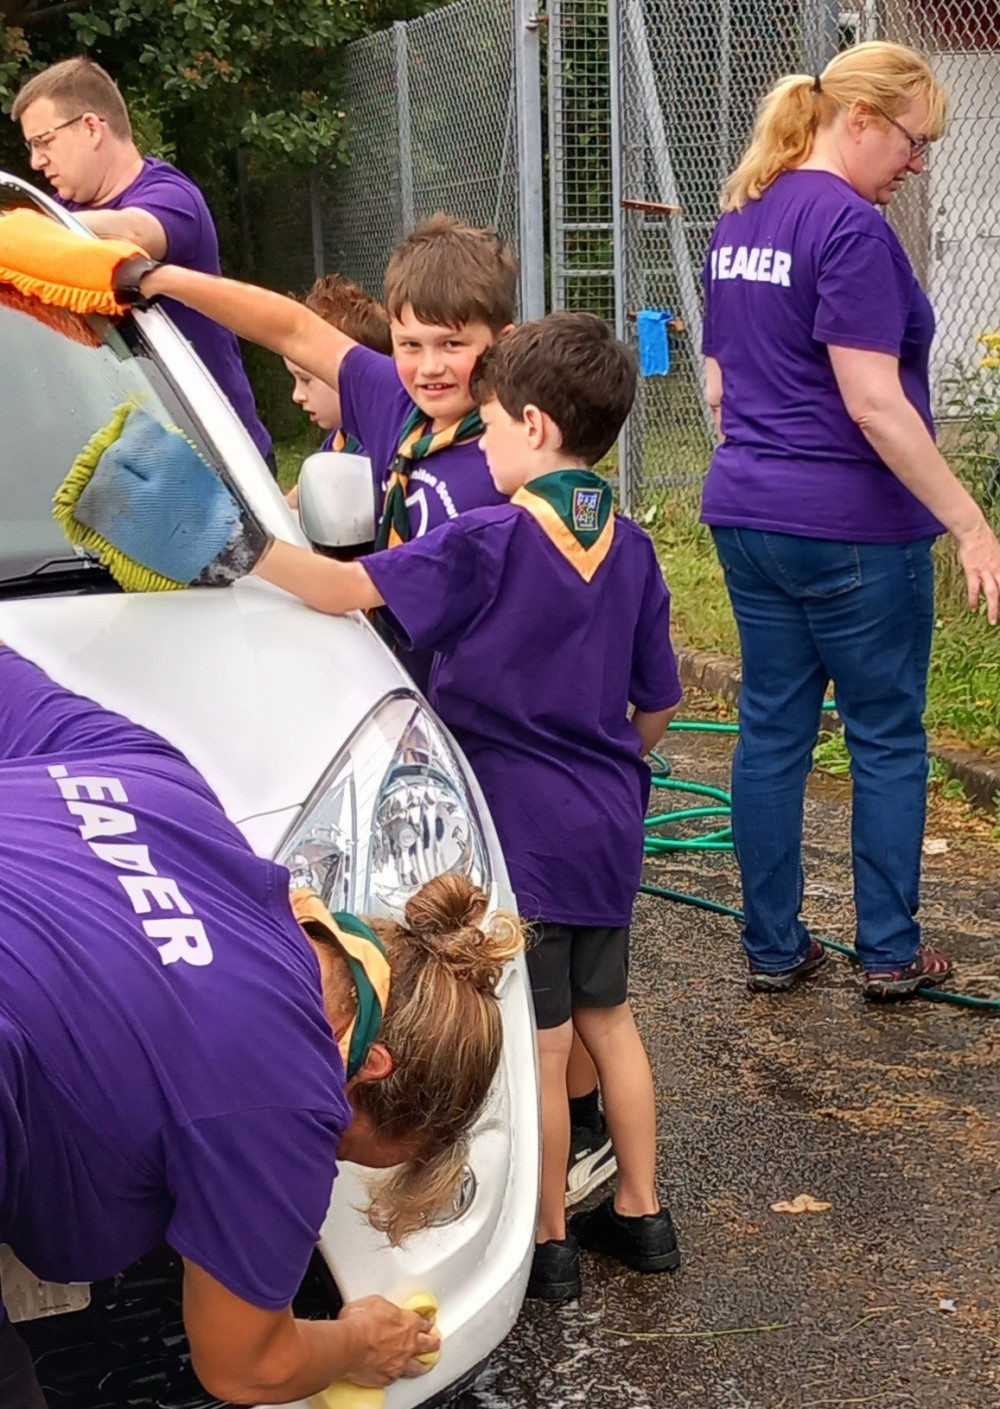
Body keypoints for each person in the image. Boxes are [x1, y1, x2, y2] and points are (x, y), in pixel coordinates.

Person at [0, 645, 521, 1407]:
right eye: (347, 1148)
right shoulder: (289, 1083)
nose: (322, 1158)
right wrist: (356, 1340)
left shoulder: (164, 789)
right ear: (368, 1065)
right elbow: (245, 1363)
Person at [699, 41, 1000, 1002]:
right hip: (856, 530)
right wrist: (970, 523)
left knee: (773, 732)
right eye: (913, 142)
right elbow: (873, 403)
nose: (917, 164)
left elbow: (716, 389)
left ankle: (774, 946)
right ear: (860, 119)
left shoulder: (743, 213)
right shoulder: (852, 229)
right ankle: (889, 950)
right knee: (884, 736)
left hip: (747, 516)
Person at [12, 57, 273, 470]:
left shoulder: (171, 196)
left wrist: (33, 230)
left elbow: (133, 234)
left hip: (220, 463)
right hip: (130, 468)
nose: (36, 162)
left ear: (92, 128)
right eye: (31, 147)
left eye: (44, 142)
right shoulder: (57, 211)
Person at [283, 274, 393, 511]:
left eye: (306, 379)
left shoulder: (378, 454)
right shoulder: (341, 439)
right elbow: (293, 502)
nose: (297, 395)